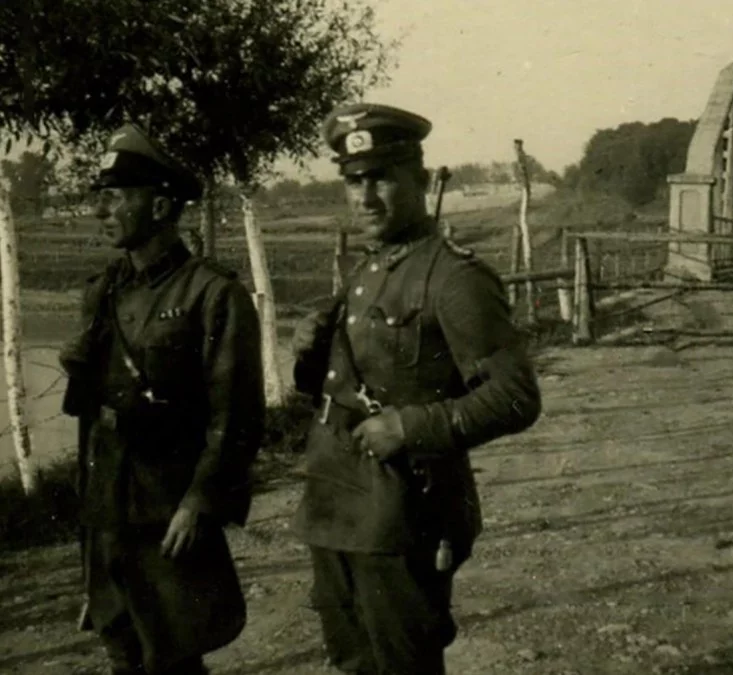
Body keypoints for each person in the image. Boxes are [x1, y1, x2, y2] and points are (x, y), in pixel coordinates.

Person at [290, 102, 542, 674]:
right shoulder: (368, 270)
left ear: (421, 180)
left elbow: (515, 396)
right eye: (353, 181)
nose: (365, 196)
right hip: (336, 505)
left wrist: (410, 427)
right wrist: (310, 353)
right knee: (353, 662)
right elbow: (346, 386)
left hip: (403, 512)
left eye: (381, 177)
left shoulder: (453, 277)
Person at [59, 124, 266, 675]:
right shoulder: (102, 291)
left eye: (116, 198)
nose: (101, 212)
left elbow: (237, 414)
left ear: (160, 207)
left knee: (173, 652)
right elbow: (88, 416)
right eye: (98, 198)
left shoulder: (211, 294)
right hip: (108, 504)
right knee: (122, 646)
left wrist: (200, 500)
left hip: (167, 505)